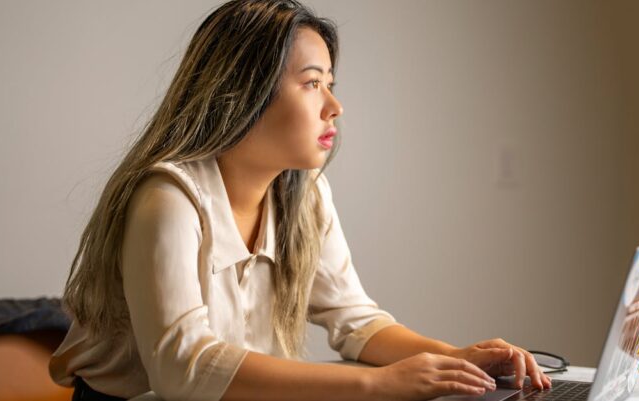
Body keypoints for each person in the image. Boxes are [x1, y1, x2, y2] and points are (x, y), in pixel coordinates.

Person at [49, 1, 552, 400]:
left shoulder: (305, 195)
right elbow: (183, 368)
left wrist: (456, 359)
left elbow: (356, 321)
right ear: (242, 92)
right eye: (312, 84)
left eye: (329, 85)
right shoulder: (167, 200)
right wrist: (377, 385)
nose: (334, 106)